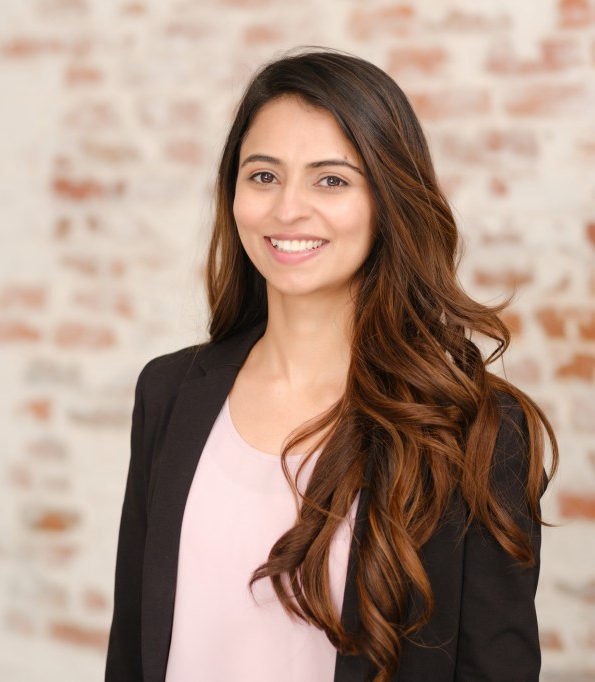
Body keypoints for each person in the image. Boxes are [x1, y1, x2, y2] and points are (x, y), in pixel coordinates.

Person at [105, 48, 558, 682]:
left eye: (331, 179)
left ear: (388, 200)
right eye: (263, 176)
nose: (288, 210)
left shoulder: (474, 427)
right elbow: (132, 647)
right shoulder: (169, 391)